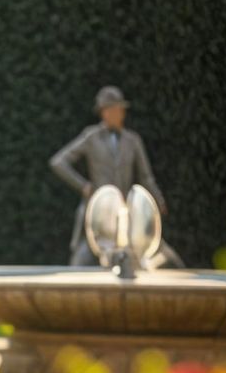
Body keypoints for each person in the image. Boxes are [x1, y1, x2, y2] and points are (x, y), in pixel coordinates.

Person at [49, 85, 182, 267]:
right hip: (98, 213)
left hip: (126, 213)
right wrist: (84, 186)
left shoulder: (132, 140)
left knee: (159, 254)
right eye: (109, 110)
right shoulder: (92, 137)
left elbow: (145, 176)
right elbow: (58, 161)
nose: (114, 114)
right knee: (81, 261)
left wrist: (157, 199)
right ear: (103, 113)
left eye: (117, 109)